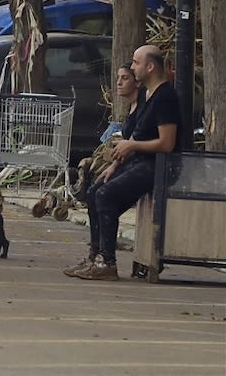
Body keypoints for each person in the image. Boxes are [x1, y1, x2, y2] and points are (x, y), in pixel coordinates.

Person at [65, 45, 180, 281]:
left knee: (106, 195)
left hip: (158, 165)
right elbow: (136, 135)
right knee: (96, 189)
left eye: (136, 63)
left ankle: (108, 263)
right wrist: (115, 164)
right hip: (139, 160)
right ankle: (94, 256)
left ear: (150, 66)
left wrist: (132, 146)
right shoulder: (148, 96)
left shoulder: (165, 97)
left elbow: (167, 143)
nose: (133, 66)